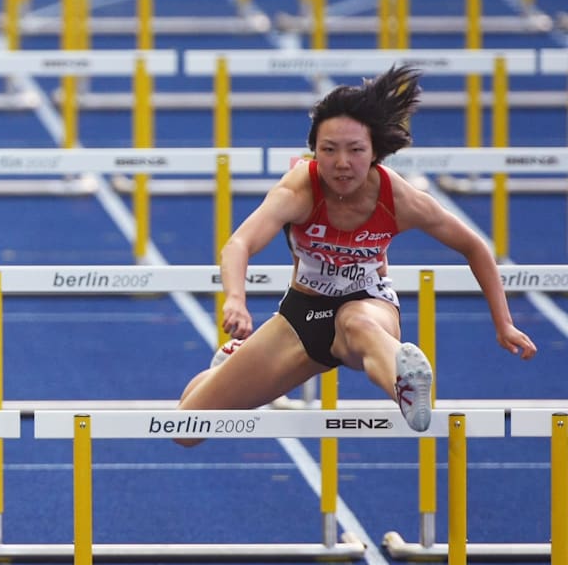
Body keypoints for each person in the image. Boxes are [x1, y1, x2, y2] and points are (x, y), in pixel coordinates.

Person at [177, 65, 537, 443]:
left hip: (370, 304)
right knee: (188, 428)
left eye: (355, 150)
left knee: (357, 324)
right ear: (314, 150)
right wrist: (235, 299)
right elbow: (240, 243)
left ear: (375, 153)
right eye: (329, 150)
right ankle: (231, 363)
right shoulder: (299, 190)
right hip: (303, 315)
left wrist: (504, 323)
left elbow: (474, 246)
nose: (342, 163)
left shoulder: (399, 198)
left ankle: (406, 381)